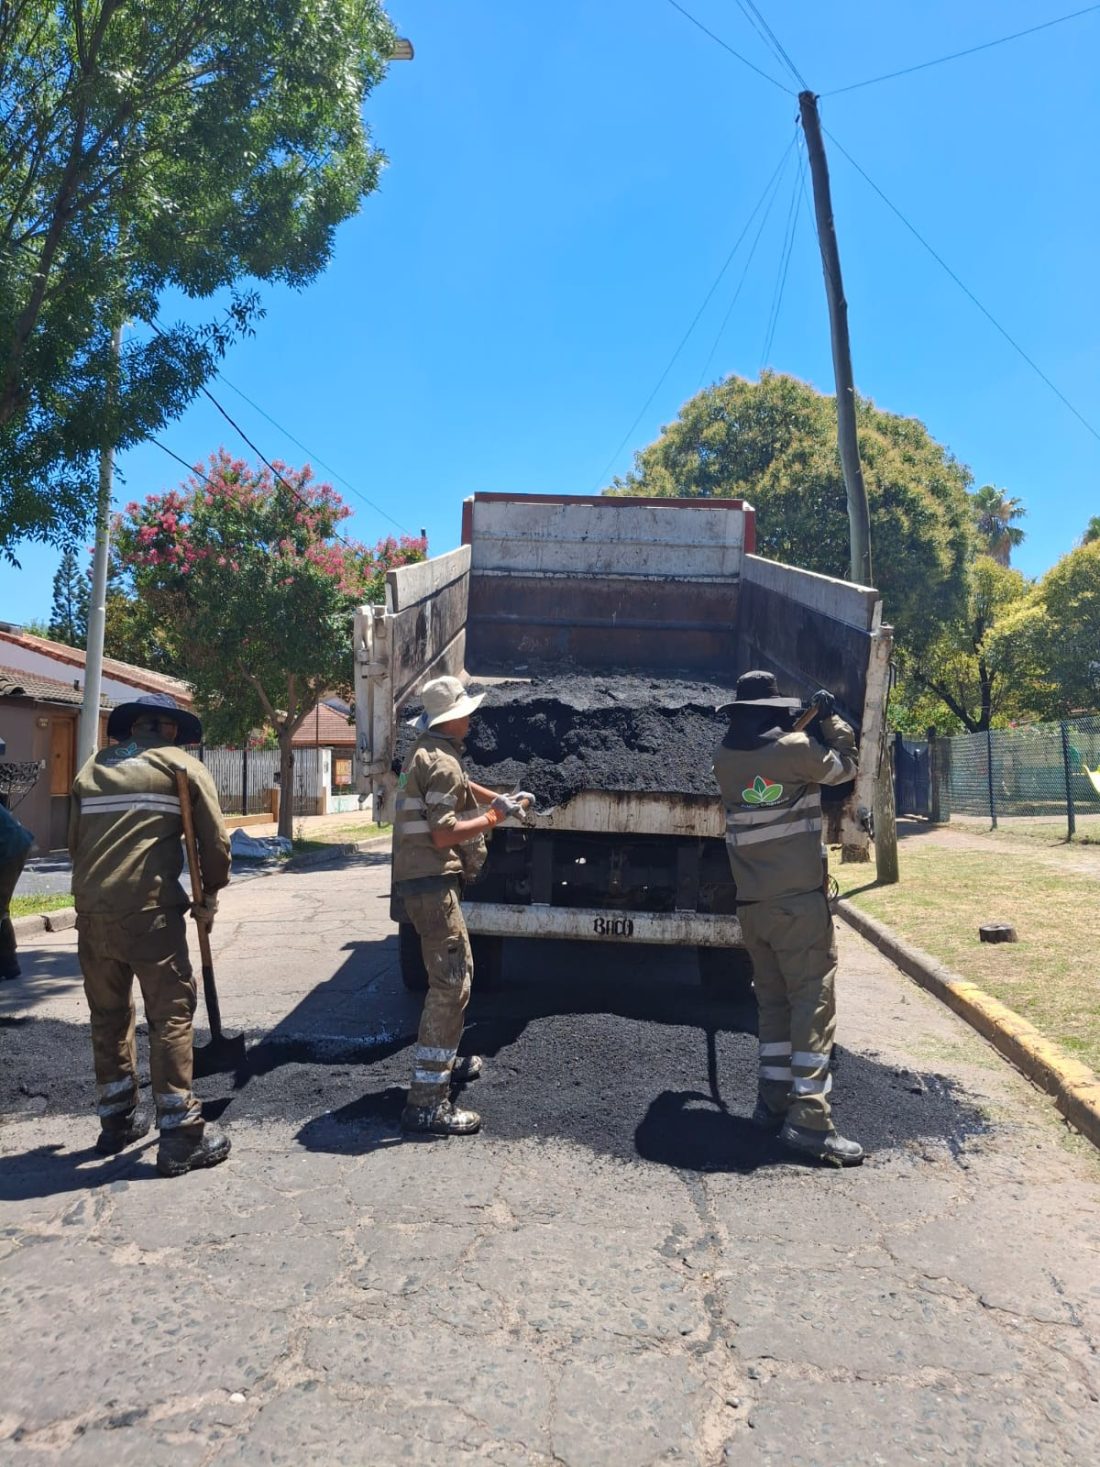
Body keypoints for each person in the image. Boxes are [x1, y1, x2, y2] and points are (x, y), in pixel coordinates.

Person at [69, 693, 232, 1176]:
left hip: (91, 912)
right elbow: (215, 844)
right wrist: (210, 894)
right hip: (150, 914)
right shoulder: (179, 765)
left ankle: (117, 1119)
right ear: (172, 730)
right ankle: (181, 1136)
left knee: (109, 1013)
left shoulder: (92, 767)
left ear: (133, 728)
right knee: (172, 1015)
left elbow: (76, 843)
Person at [712, 670, 862, 1166]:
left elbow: (769, 767)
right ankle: (811, 1122)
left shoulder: (725, 760)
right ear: (775, 712)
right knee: (812, 1005)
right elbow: (845, 768)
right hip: (797, 905)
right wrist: (834, 720)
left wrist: (800, 730)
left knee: (773, 1006)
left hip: (753, 907)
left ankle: (772, 1104)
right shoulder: (797, 750)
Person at [392, 675, 533, 1137]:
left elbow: (467, 788)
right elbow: (443, 832)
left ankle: (442, 1065)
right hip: (432, 885)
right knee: (452, 984)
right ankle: (427, 1103)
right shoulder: (443, 764)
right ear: (452, 719)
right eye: (465, 712)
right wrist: (495, 818)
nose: (471, 718)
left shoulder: (430, 754)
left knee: (455, 976)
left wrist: (502, 801)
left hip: (421, 883)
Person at [0, 787, 34, 981]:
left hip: (9, 849)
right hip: (14, 843)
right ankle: (8, 964)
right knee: (1, 908)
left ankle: (9, 963)